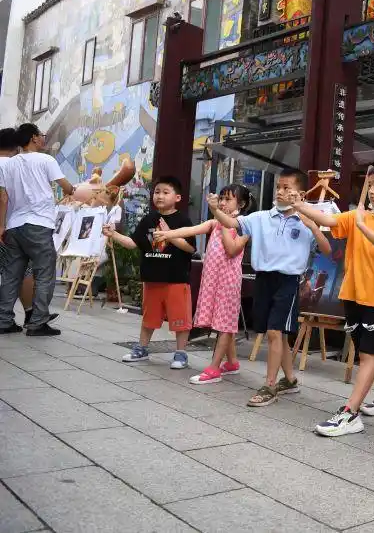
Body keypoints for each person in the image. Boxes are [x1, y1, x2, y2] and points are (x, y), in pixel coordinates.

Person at [295, 163, 374, 437]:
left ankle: (350, 413)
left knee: (368, 354)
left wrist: (363, 226)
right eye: (370, 185)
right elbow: (328, 221)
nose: (372, 190)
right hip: (353, 294)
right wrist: (299, 205)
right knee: (369, 351)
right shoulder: (356, 215)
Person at [209, 169, 331, 407]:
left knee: (275, 332)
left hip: (287, 282)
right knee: (277, 334)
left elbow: (327, 250)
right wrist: (215, 209)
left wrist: (313, 226)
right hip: (263, 279)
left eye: (287, 188)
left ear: (301, 194)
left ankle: (270, 385)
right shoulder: (261, 217)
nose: (281, 192)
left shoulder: (307, 220)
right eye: (279, 187)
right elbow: (232, 222)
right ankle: (290, 380)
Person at [154, 184, 255, 385]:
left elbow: (232, 250)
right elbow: (191, 229)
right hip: (213, 280)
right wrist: (168, 234)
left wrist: (221, 218)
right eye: (222, 198)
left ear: (241, 204)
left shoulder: (244, 226)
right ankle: (232, 363)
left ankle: (215, 368)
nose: (223, 202)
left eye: (228, 199)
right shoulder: (214, 222)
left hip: (228, 282)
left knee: (225, 324)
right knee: (224, 322)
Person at [105, 176, 197, 367]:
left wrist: (169, 235)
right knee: (149, 318)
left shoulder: (183, 220)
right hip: (151, 279)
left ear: (177, 197)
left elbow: (190, 248)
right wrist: (113, 234)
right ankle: (142, 349)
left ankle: (180, 354)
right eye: (157, 192)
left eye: (165, 192)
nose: (160, 196)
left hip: (176, 280)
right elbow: (132, 244)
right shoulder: (149, 219)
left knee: (181, 319)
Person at [0, 124, 75, 336]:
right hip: (39, 224)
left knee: (11, 274)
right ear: (34, 138)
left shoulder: (10, 164)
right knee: (44, 273)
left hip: (14, 226)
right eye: (42, 135)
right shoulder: (46, 160)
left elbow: (3, 196)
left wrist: (2, 225)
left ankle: (4, 320)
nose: (44, 139)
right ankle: (38, 322)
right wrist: (72, 190)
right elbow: (66, 186)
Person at [0, 128, 35, 328]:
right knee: (22, 270)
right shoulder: (16, 166)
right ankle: (30, 313)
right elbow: (4, 197)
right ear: (16, 146)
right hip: (10, 226)